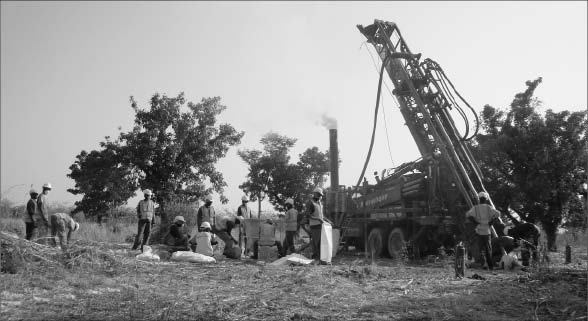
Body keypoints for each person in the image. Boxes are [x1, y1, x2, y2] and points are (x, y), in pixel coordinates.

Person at [465, 191, 500, 270]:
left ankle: (483, 264)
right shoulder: (489, 208)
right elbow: (498, 214)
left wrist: (475, 222)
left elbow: (468, 215)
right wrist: (492, 221)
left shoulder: (475, 208)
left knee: (480, 250)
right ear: (486, 199)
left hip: (478, 232)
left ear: (479, 199)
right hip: (487, 232)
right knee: (488, 249)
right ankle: (490, 266)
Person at [305, 188, 325, 261]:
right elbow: (308, 215)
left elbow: (321, 215)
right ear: (315, 194)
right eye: (319, 194)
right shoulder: (310, 203)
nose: (320, 196)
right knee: (316, 242)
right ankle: (316, 257)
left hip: (320, 225)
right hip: (314, 225)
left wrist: (328, 221)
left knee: (320, 242)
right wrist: (318, 219)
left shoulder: (319, 203)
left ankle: (319, 257)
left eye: (320, 195)